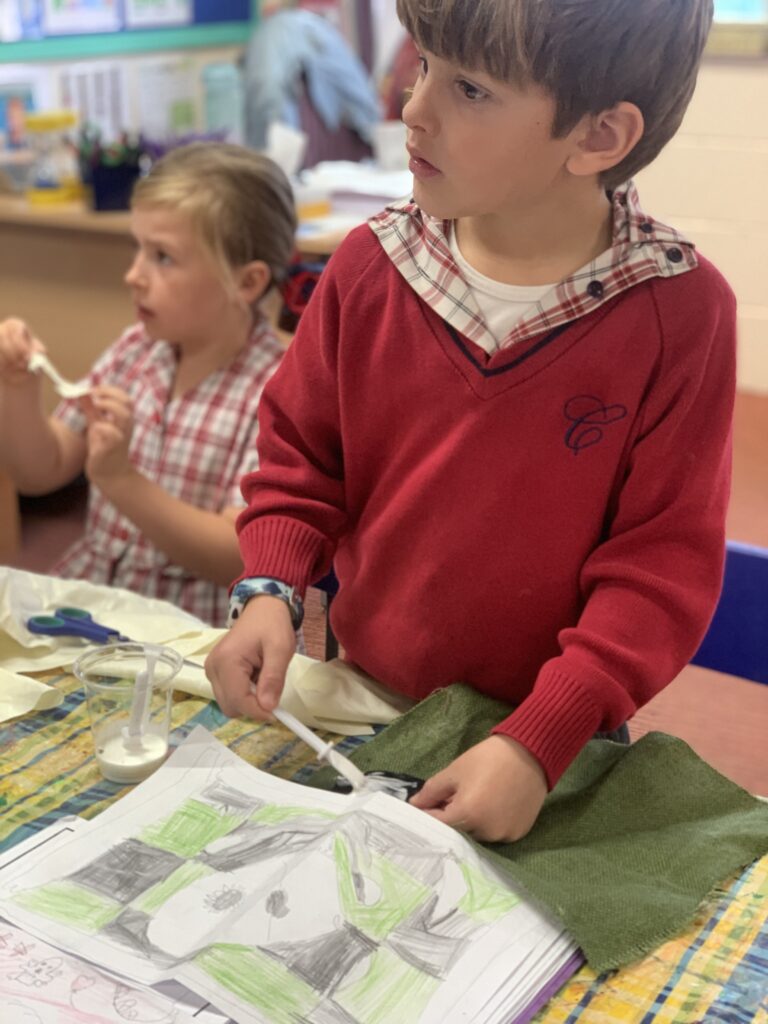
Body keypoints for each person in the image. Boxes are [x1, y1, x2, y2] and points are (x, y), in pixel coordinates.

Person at [205, 0, 736, 841]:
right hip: (362, 704)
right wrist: (271, 589)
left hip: (554, 743)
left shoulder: (681, 313)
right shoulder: (368, 268)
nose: (413, 108)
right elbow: (300, 465)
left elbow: (657, 573)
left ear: (598, 137)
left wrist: (538, 742)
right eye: (421, 66)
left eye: (471, 90)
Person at [0, 142, 296, 626]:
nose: (133, 274)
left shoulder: (279, 387)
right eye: (139, 249)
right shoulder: (137, 349)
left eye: (163, 257)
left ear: (245, 283)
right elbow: (41, 469)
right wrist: (15, 387)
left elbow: (242, 555)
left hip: (193, 634)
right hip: (95, 608)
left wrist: (121, 481)